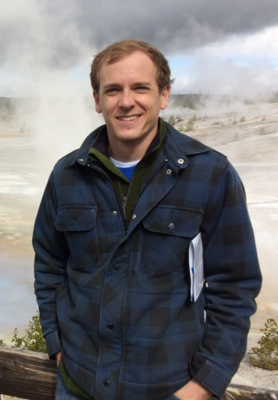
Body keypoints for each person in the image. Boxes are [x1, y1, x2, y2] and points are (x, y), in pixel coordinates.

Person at [33, 39, 262, 400]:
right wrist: (57, 344)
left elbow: (235, 287)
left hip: (170, 389)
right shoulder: (66, 175)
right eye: (113, 90)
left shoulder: (211, 175)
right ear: (97, 100)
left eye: (140, 87)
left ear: (164, 94)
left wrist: (203, 385)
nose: (126, 101)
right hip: (78, 385)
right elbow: (49, 265)